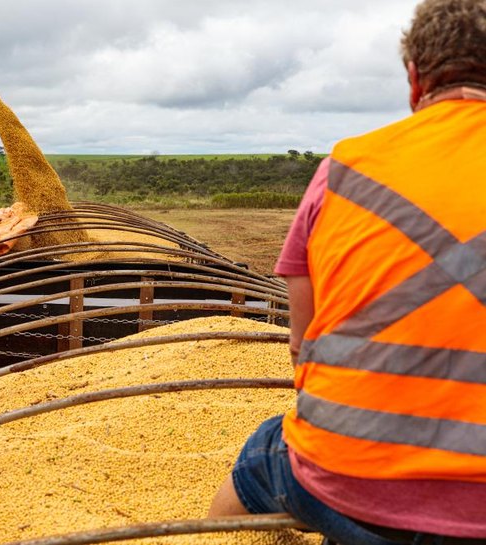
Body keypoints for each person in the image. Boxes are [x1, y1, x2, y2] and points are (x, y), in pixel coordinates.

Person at [207, 1, 486, 543]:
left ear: (414, 79)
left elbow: (300, 344)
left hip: (345, 478)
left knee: (257, 463)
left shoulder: (343, 171)